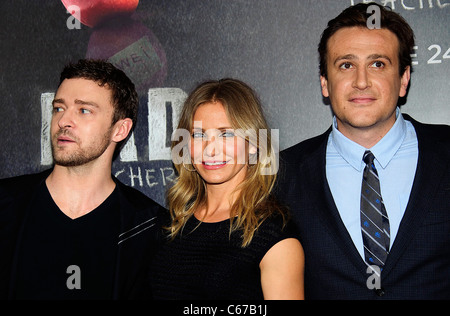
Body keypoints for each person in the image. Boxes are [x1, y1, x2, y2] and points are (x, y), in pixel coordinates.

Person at [275, 3, 450, 299]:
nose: (361, 81)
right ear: (325, 83)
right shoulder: (282, 174)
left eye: (378, 64)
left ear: (404, 79)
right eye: (346, 65)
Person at [0, 59, 162, 299]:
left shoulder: (148, 228)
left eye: (84, 110)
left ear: (120, 129)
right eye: (59, 108)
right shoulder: (5, 205)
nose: (63, 121)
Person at [150, 78, 304, 299]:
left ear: (253, 145)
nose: (210, 150)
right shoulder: (174, 223)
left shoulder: (273, 234)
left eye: (227, 134)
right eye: (199, 135)